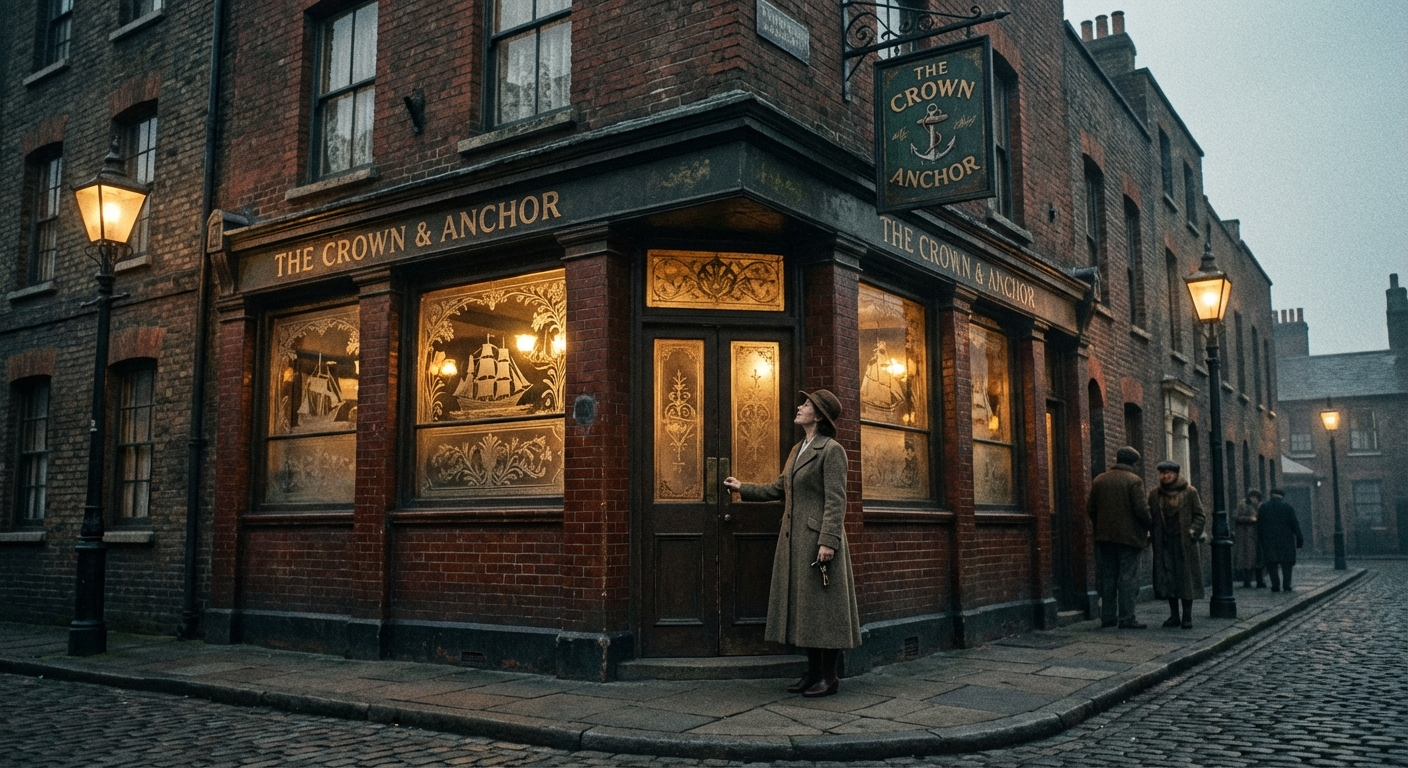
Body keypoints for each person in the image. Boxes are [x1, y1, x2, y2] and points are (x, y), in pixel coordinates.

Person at [723, 389, 861, 697]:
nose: (799, 407)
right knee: (806, 610)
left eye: (807, 405)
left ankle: (829, 676)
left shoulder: (831, 450)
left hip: (818, 542)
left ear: (819, 415)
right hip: (795, 541)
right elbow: (779, 488)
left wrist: (828, 541)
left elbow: (836, 500)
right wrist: (742, 487)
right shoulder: (799, 448)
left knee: (825, 610)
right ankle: (813, 673)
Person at [1086, 446, 1153, 629]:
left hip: (1105, 538)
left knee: (1108, 577)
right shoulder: (1134, 481)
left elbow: (1090, 508)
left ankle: (1107, 617)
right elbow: (1141, 510)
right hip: (1129, 539)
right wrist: (1151, 525)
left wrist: (1101, 526)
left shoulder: (1099, 480)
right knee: (1127, 578)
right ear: (1133, 462)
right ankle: (1126, 617)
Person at [1149, 460, 1207, 629]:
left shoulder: (1190, 492)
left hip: (1184, 543)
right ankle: (1174, 616)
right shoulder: (1155, 495)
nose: (1164, 476)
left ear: (1175, 474)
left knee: (1186, 578)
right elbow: (1150, 516)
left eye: (1168, 473)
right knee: (1168, 578)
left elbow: (1200, 515)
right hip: (1164, 543)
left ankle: (1187, 617)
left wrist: (1192, 532)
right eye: (1162, 473)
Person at [1257, 488, 1304, 592]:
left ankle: (1275, 585)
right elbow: (1295, 525)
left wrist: (1260, 540)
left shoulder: (1264, 508)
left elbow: (1259, 526)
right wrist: (1300, 540)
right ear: (1282, 496)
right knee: (1286, 563)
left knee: (1272, 563)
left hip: (1269, 540)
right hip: (1286, 540)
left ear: (1271, 495)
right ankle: (1286, 586)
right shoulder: (1287, 507)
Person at [1233, 489, 1265, 588]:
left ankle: (1260, 581)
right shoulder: (1243, 505)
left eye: (1255, 497)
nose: (1253, 499)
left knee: (1259, 559)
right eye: (1252, 497)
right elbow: (1236, 517)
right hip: (1246, 537)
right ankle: (1247, 581)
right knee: (1247, 560)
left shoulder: (1261, 506)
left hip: (1258, 536)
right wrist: (1249, 519)